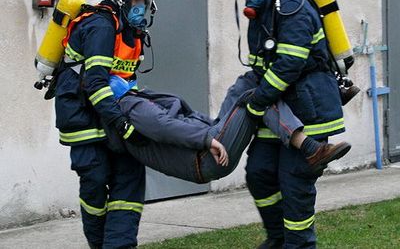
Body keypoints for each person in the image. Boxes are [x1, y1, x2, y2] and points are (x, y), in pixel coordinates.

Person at [230, 0, 351, 249]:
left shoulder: (292, 5)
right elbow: (260, 66)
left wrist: (258, 100)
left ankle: (299, 243)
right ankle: (278, 236)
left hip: (310, 110)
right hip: (280, 111)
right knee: (259, 172)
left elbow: (290, 64)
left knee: (295, 183)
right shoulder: (259, 15)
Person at [54, 0, 158, 249]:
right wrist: (124, 125)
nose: (141, 7)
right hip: (84, 120)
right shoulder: (100, 26)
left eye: (146, 2)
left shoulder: (131, 32)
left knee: (130, 179)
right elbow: (95, 84)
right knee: (96, 185)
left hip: (110, 119)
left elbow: (127, 82)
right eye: (137, 0)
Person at [108, 71, 349, 184]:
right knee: (257, 97)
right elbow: (165, 126)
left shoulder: (133, 100)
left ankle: (327, 93)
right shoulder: (129, 106)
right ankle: (310, 148)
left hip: (207, 138)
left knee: (244, 83)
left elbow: (181, 117)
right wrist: (206, 139)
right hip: (203, 156)